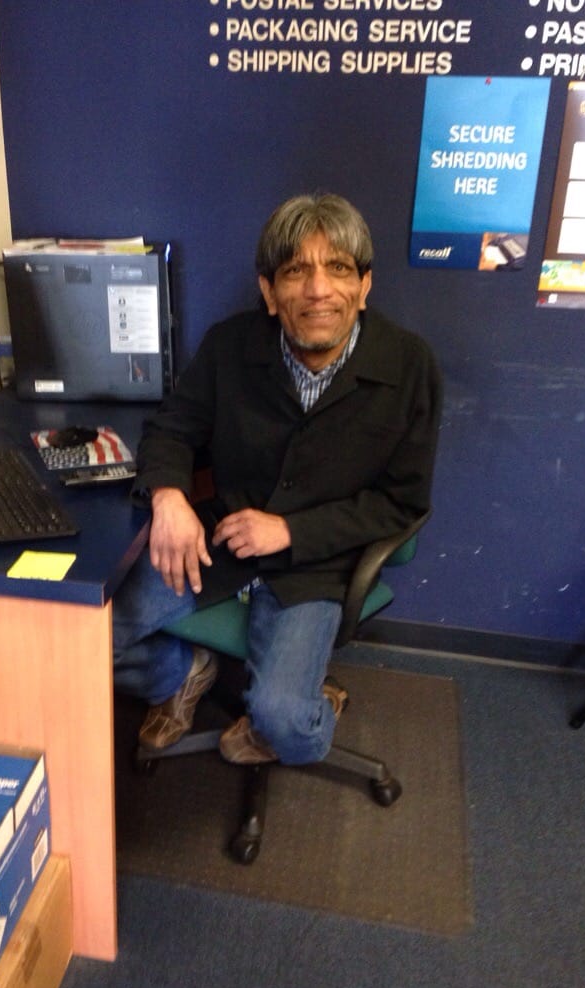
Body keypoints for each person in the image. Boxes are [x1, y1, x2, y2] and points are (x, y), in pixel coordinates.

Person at [112, 193, 442, 766]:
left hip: (314, 564)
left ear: (364, 286)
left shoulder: (410, 366)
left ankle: (313, 703)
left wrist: (291, 531)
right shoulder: (229, 346)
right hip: (217, 545)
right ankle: (179, 674)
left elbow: (400, 503)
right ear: (269, 292)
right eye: (295, 271)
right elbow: (171, 428)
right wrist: (169, 498)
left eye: (338, 268)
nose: (318, 289)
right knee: (84, 640)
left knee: (285, 726)